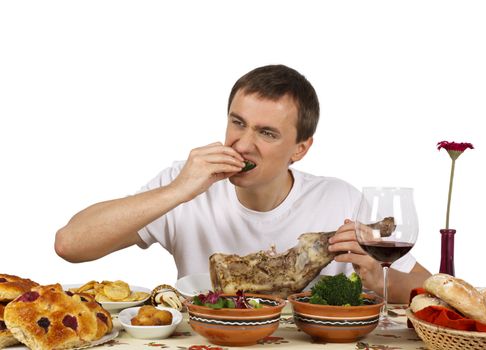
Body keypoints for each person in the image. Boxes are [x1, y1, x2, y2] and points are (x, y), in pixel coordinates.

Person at [55, 64, 430, 303]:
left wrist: (375, 276)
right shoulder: (183, 181)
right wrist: (178, 191)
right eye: (237, 123)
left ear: (300, 149)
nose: (243, 143)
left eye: (266, 133)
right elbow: (70, 244)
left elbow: (428, 292)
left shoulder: (338, 198)